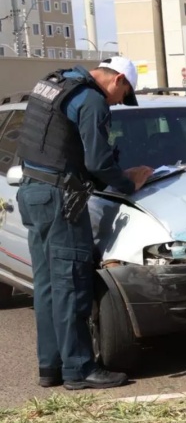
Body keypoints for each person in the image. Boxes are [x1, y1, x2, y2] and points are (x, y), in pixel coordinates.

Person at [15, 56, 153, 390]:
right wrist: (127, 182)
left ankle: (51, 366)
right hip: (61, 198)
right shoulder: (92, 100)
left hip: (33, 192)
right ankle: (80, 369)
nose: (119, 102)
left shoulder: (53, 84)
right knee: (72, 285)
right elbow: (98, 161)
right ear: (118, 79)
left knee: (48, 287)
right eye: (124, 94)